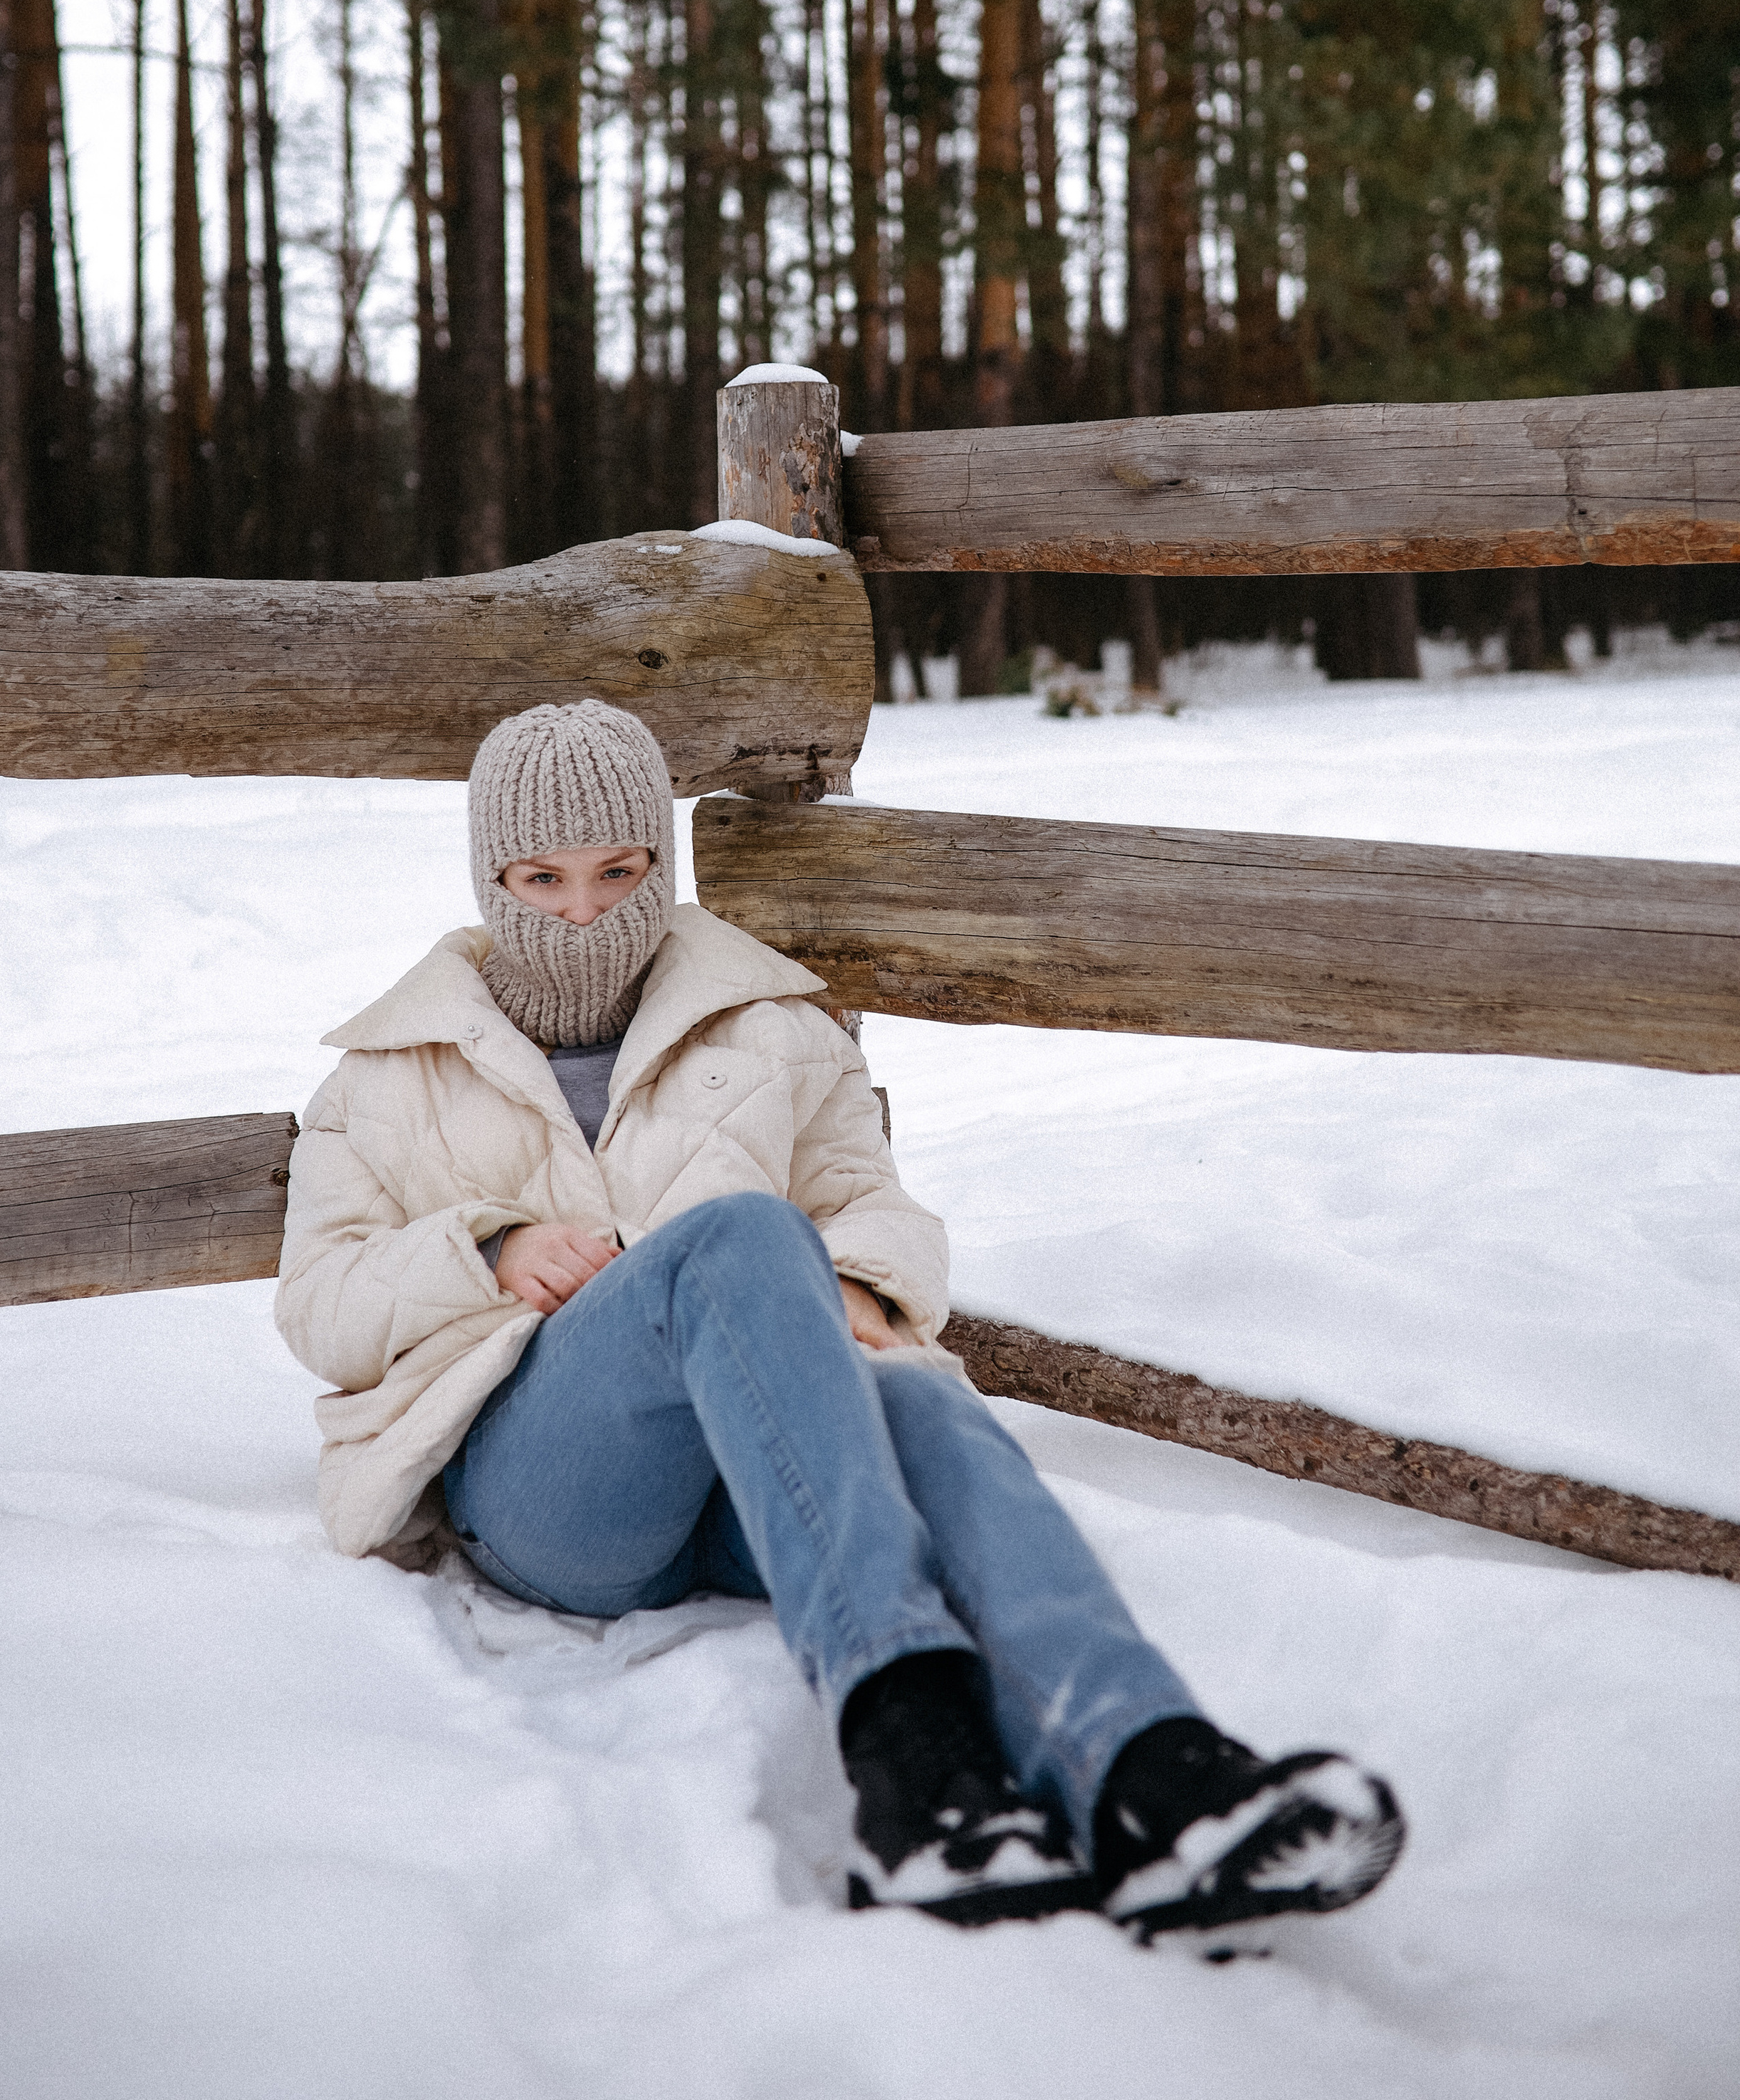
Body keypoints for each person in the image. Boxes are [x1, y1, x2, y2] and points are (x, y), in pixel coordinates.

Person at [276, 700, 1405, 1945]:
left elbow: (873, 1205)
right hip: (550, 1496)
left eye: (618, 871)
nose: (583, 911)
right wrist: (484, 1249)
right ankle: (916, 1765)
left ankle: (1157, 1776)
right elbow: (321, 1309)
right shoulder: (388, 1074)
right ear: (490, 876)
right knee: (748, 1237)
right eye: (541, 879)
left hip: (763, 1472)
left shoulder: (775, 1028)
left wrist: (861, 1283)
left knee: (919, 1398)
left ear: (661, 861)